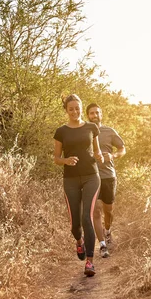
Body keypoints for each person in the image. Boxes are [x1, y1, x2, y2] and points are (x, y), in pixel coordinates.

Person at [53, 94, 104, 276]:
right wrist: (66, 160)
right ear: (66, 111)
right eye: (71, 109)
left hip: (91, 176)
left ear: (82, 108)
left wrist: (100, 157)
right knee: (75, 223)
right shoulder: (61, 131)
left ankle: (89, 261)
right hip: (71, 179)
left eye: (77, 108)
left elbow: (98, 152)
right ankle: (79, 240)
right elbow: (56, 158)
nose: (75, 111)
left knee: (87, 217)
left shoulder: (92, 127)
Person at [86, 103, 126, 258]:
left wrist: (114, 155)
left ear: (101, 114)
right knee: (96, 210)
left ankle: (107, 231)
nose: (94, 115)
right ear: (88, 115)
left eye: (97, 112)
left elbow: (122, 149)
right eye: (91, 113)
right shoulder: (84, 132)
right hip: (91, 176)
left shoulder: (109, 131)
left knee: (108, 210)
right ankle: (102, 245)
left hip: (109, 175)